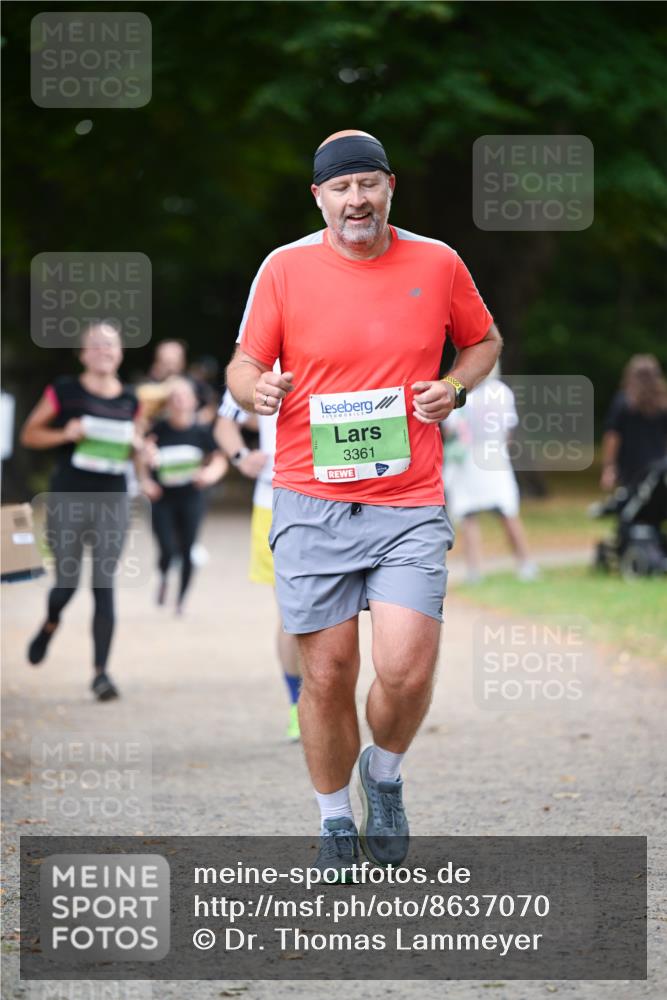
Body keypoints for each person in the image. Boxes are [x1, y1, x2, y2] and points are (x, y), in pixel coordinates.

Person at [226, 129, 502, 876]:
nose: (356, 200)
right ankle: (332, 820)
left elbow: (482, 341)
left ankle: (383, 777)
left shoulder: (437, 261)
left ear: (389, 188)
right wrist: (260, 389)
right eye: (340, 188)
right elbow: (243, 366)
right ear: (318, 197)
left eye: (368, 185)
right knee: (327, 673)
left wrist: (456, 385)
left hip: (408, 499)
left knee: (407, 669)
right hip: (311, 500)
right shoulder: (283, 268)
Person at [20, 323, 142, 701]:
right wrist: (64, 433)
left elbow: (136, 448)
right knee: (66, 585)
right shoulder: (64, 391)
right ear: (83, 354)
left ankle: (101, 674)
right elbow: (29, 435)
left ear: (120, 352)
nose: (104, 350)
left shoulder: (130, 399)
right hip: (69, 496)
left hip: (113, 500)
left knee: (103, 584)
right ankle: (51, 621)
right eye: (96, 345)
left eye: (111, 345)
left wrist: (143, 453)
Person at [216, 384, 302, 742]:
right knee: (292, 613)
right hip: (276, 501)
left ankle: (330, 699)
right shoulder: (263, 359)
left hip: (342, 500)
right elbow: (224, 422)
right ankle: (300, 706)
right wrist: (240, 456)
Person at [442, 366, 538, 583]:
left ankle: (475, 570)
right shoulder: (502, 391)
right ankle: (525, 564)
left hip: (467, 460)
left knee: (468, 515)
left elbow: (449, 430)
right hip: (495, 457)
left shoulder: (458, 391)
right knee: (507, 511)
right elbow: (508, 430)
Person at [139, 377, 227, 614]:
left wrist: (209, 475)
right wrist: (146, 480)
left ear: (193, 401)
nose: (179, 401)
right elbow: (140, 459)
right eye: (173, 397)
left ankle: (181, 600)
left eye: (183, 396)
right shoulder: (157, 430)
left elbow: (219, 459)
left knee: (188, 549)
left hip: (191, 498)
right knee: (167, 549)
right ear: (167, 402)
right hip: (162, 499)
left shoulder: (201, 432)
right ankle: (164, 577)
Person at [601, 354, 667, 492]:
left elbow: (612, 436)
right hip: (659, 466)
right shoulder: (663, 404)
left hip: (630, 467)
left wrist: (609, 467)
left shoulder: (622, 402)